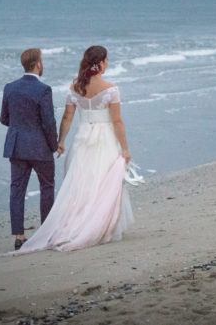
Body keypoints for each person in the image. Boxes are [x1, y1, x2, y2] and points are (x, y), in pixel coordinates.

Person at [12, 45, 134, 253]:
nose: (107, 63)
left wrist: (61, 142)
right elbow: (117, 122)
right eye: (106, 60)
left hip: (82, 138)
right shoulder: (111, 89)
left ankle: (78, 223)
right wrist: (125, 148)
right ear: (101, 63)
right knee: (103, 182)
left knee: (82, 183)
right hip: (104, 139)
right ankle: (99, 226)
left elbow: (67, 118)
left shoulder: (75, 87)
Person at [0, 48, 61, 251]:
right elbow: (49, 123)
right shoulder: (44, 90)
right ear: (38, 64)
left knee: (17, 190)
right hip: (40, 148)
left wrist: (21, 128)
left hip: (16, 146)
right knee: (47, 187)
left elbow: (4, 119)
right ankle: (46, 233)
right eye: (42, 60)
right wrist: (55, 145)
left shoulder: (9, 88)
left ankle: (19, 237)